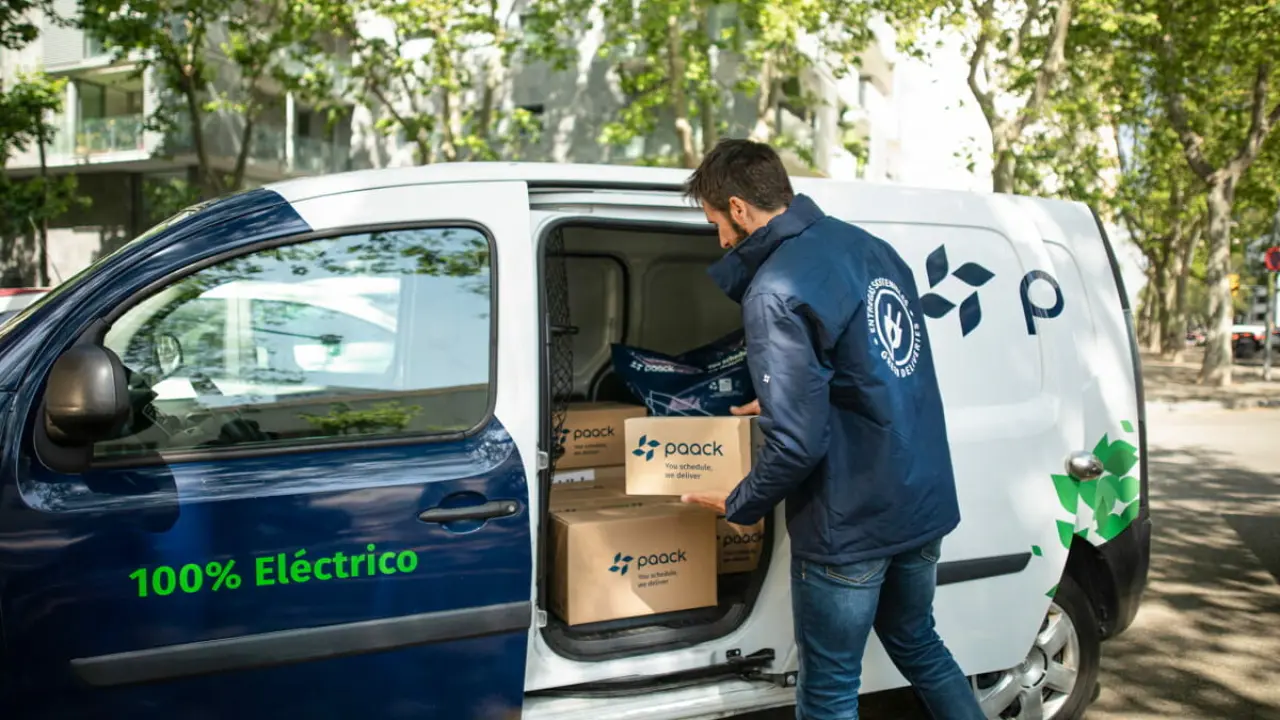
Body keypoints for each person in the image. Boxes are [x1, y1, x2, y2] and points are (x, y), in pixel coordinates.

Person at [680, 139, 985, 720]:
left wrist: (741, 503)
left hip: (851, 521)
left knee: (829, 692)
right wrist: (787, 395)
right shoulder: (871, 249)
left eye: (716, 222)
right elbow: (877, 370)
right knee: (919, 643)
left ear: (739, 208)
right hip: (919, 502)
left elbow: (798, 444)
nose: (719, 239)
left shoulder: (774, 288)